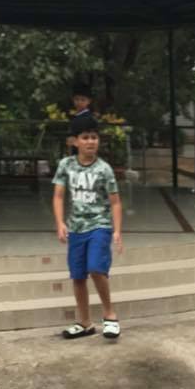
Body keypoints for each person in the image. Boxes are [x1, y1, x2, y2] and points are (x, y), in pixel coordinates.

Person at [53, 115, 124, 340]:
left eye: (94, 137)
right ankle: (84, 323)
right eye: (85, 138)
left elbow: (115, 202)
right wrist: (60, 222)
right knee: (78, 276)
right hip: (76, 229)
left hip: (99, 226)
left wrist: (117, 230)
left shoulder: (105, 169)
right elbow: (58, 196)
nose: (91, 142)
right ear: (75, 141)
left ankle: (110, 315)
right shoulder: (66, 165)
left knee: (96, 268)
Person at [67, 83, 94, 154]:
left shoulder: (90, 118)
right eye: (77, 99)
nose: (79, 102)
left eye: (83, 100)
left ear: (89, 101)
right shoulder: (75, 117)